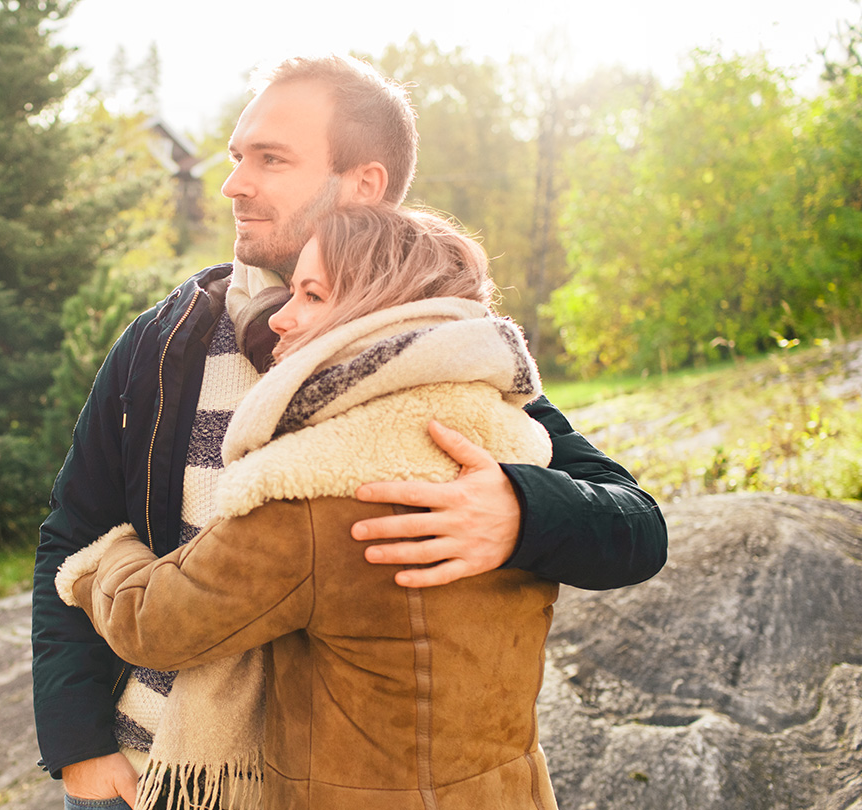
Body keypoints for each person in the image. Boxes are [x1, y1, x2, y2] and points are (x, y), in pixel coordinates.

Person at [32, 53, 666, 809]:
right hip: (147, 776)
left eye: (271, 159)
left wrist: (521, 511)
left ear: (363, 186)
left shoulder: (434, 360)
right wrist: (79, 750)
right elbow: (72, 529)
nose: (234, 183)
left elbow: (637, 528)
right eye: (237, 157)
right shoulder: (163, 341)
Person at [57, 202, 560, 809]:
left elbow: (158, 622)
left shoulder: (317, 486)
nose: (282, 319)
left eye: (313, 296)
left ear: (377, 308)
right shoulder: (512, 450)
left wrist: (99, 558)